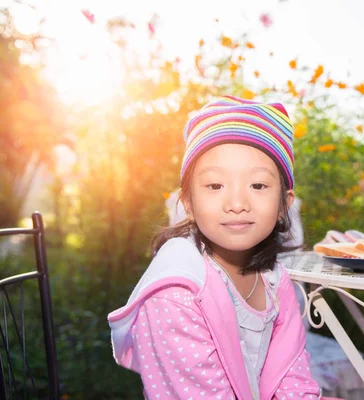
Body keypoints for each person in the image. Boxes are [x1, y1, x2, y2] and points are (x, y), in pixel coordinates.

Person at [108, 96, 340, 400]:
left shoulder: (274, 280)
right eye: (215, 186)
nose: (237, 204)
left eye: (258, 185)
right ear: (188, 202)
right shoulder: (175, 296)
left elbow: (291, 378)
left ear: (285, 202)